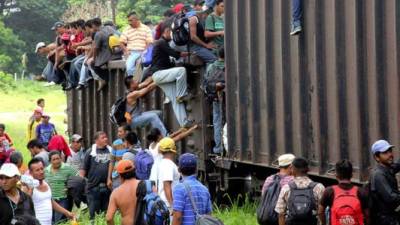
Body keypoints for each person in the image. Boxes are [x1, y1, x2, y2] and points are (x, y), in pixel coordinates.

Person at [144, 22, 193, 128]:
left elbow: (173, 54)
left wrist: (182, 54)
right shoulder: (161, 42)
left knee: (175, 101)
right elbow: (174, 54)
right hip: (159, 74)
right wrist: (184, 54)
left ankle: (184, 123)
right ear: (166, 32)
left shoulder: (162, 43)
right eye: (170, 32)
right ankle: (181, 94)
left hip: (160, 76)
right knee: (181, 71)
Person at [275, 157, 325, 225]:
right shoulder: (319, 187)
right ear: (308, 169)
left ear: (292, 169)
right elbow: (321, 212)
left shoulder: (286, 188)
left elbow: (281, 214)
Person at [25, 158, 74, 225]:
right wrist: (31, 189)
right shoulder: (27, 187)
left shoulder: (47, 184)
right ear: (31, 173)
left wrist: (67, 213)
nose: (41, 172)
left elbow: (51, 202)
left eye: (42, 169)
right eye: (37, 170)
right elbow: (23, 205)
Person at [319, 159, 369, 225]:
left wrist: (323, 223)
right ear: (351, 175)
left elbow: (320, 211)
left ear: (336, 175)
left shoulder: (329, 191)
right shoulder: (361, 192)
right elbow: (367, 215)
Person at [172, 153, 212, 225]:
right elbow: (208, 215)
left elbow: (177, 217)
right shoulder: (204, 189)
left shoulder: (179, 188)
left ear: (179, 170)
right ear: (196, 169)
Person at [80, 131, 112, 220]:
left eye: (106, 137)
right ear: (96, 140)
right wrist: (81, 184)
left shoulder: (111, 151)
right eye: (103, 137)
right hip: (93, 188)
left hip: (107, 188)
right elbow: (83, 169)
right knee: (93, 215)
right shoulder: (90, 152)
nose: (106, 139)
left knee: (106, 214)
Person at [369, 140, 400, 225]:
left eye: (390, 151)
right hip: (385, 220)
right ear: (377, 157)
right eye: (385, 152)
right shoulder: (378, 175)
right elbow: (391, 198)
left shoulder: (387, 168)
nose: (390, 154)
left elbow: (397, 165)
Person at [88, 18, 122, 91]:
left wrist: (94, 59)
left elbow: (95, 48)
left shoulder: (98, 33)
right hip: (118, 53)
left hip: (109, 56)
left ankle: (105, 79)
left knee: (93, 65)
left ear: (94, 25)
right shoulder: (110, 28)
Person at [45, 151, 77, 223]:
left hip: (63, 200)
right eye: (54, 159)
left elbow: (78, 178)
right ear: (50, 161)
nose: (57, 161)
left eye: (58, 158)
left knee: (59, 221)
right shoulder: (46, 170)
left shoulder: (67, 168)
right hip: (50, 201)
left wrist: (69, 187)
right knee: (51, 221)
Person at [204, 47, 225, 153]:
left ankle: (218, 148)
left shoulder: (211, 66)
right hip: (228, 98)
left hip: (215, 98)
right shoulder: (230, 65)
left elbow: (205, 84)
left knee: (217, 122)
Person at [106, 160, 140, 225]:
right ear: (134, 171)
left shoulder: (116, 193)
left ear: (120, 175)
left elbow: (109, 218)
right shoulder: (147, 186)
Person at [120, 11, 153, 77]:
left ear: (136, 19)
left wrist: (145, 51)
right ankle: (135, 82)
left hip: (144, 52)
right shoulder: (127, 29)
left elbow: (150, 42)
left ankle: (139, 81)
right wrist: (126, 51)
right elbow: (121, 42)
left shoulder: (146, 29)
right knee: (129, 68)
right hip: (132, 53)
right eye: (128, 21)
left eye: (131, 21)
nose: (129, 23)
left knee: (147, 67)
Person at [155, 137, 180, 209]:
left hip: (165, 203)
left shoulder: (163, 163)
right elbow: (167, 185)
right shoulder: (168, 164)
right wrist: (172, 206)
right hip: (168, 205)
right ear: (173, 149)